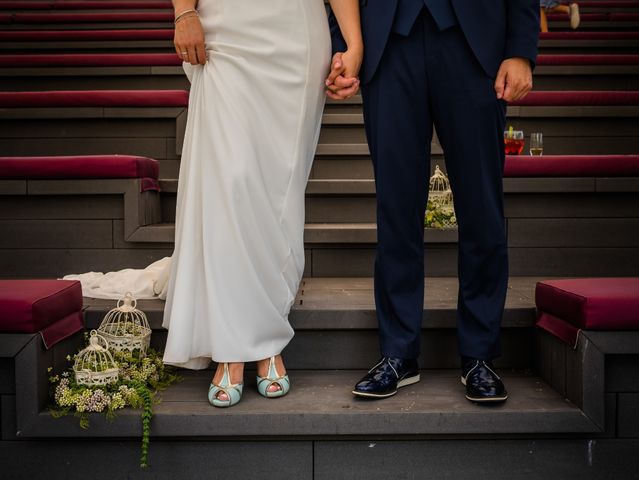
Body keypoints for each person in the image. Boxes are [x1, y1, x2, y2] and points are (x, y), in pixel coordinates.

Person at [326, 0, 539, 403]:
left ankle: (480, 354)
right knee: (395, 209)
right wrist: (342, 45)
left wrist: (520, 49)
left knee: (482, 208)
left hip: (474, 45)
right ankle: (398, 353)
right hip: (386, 44)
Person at [162, 0, 362, 407]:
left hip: (296, 36)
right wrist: (184, 12)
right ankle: (235, 346)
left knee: (279, 193)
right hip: (226, 30)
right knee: (230, 182)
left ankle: (266, 331)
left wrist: (354, 44)